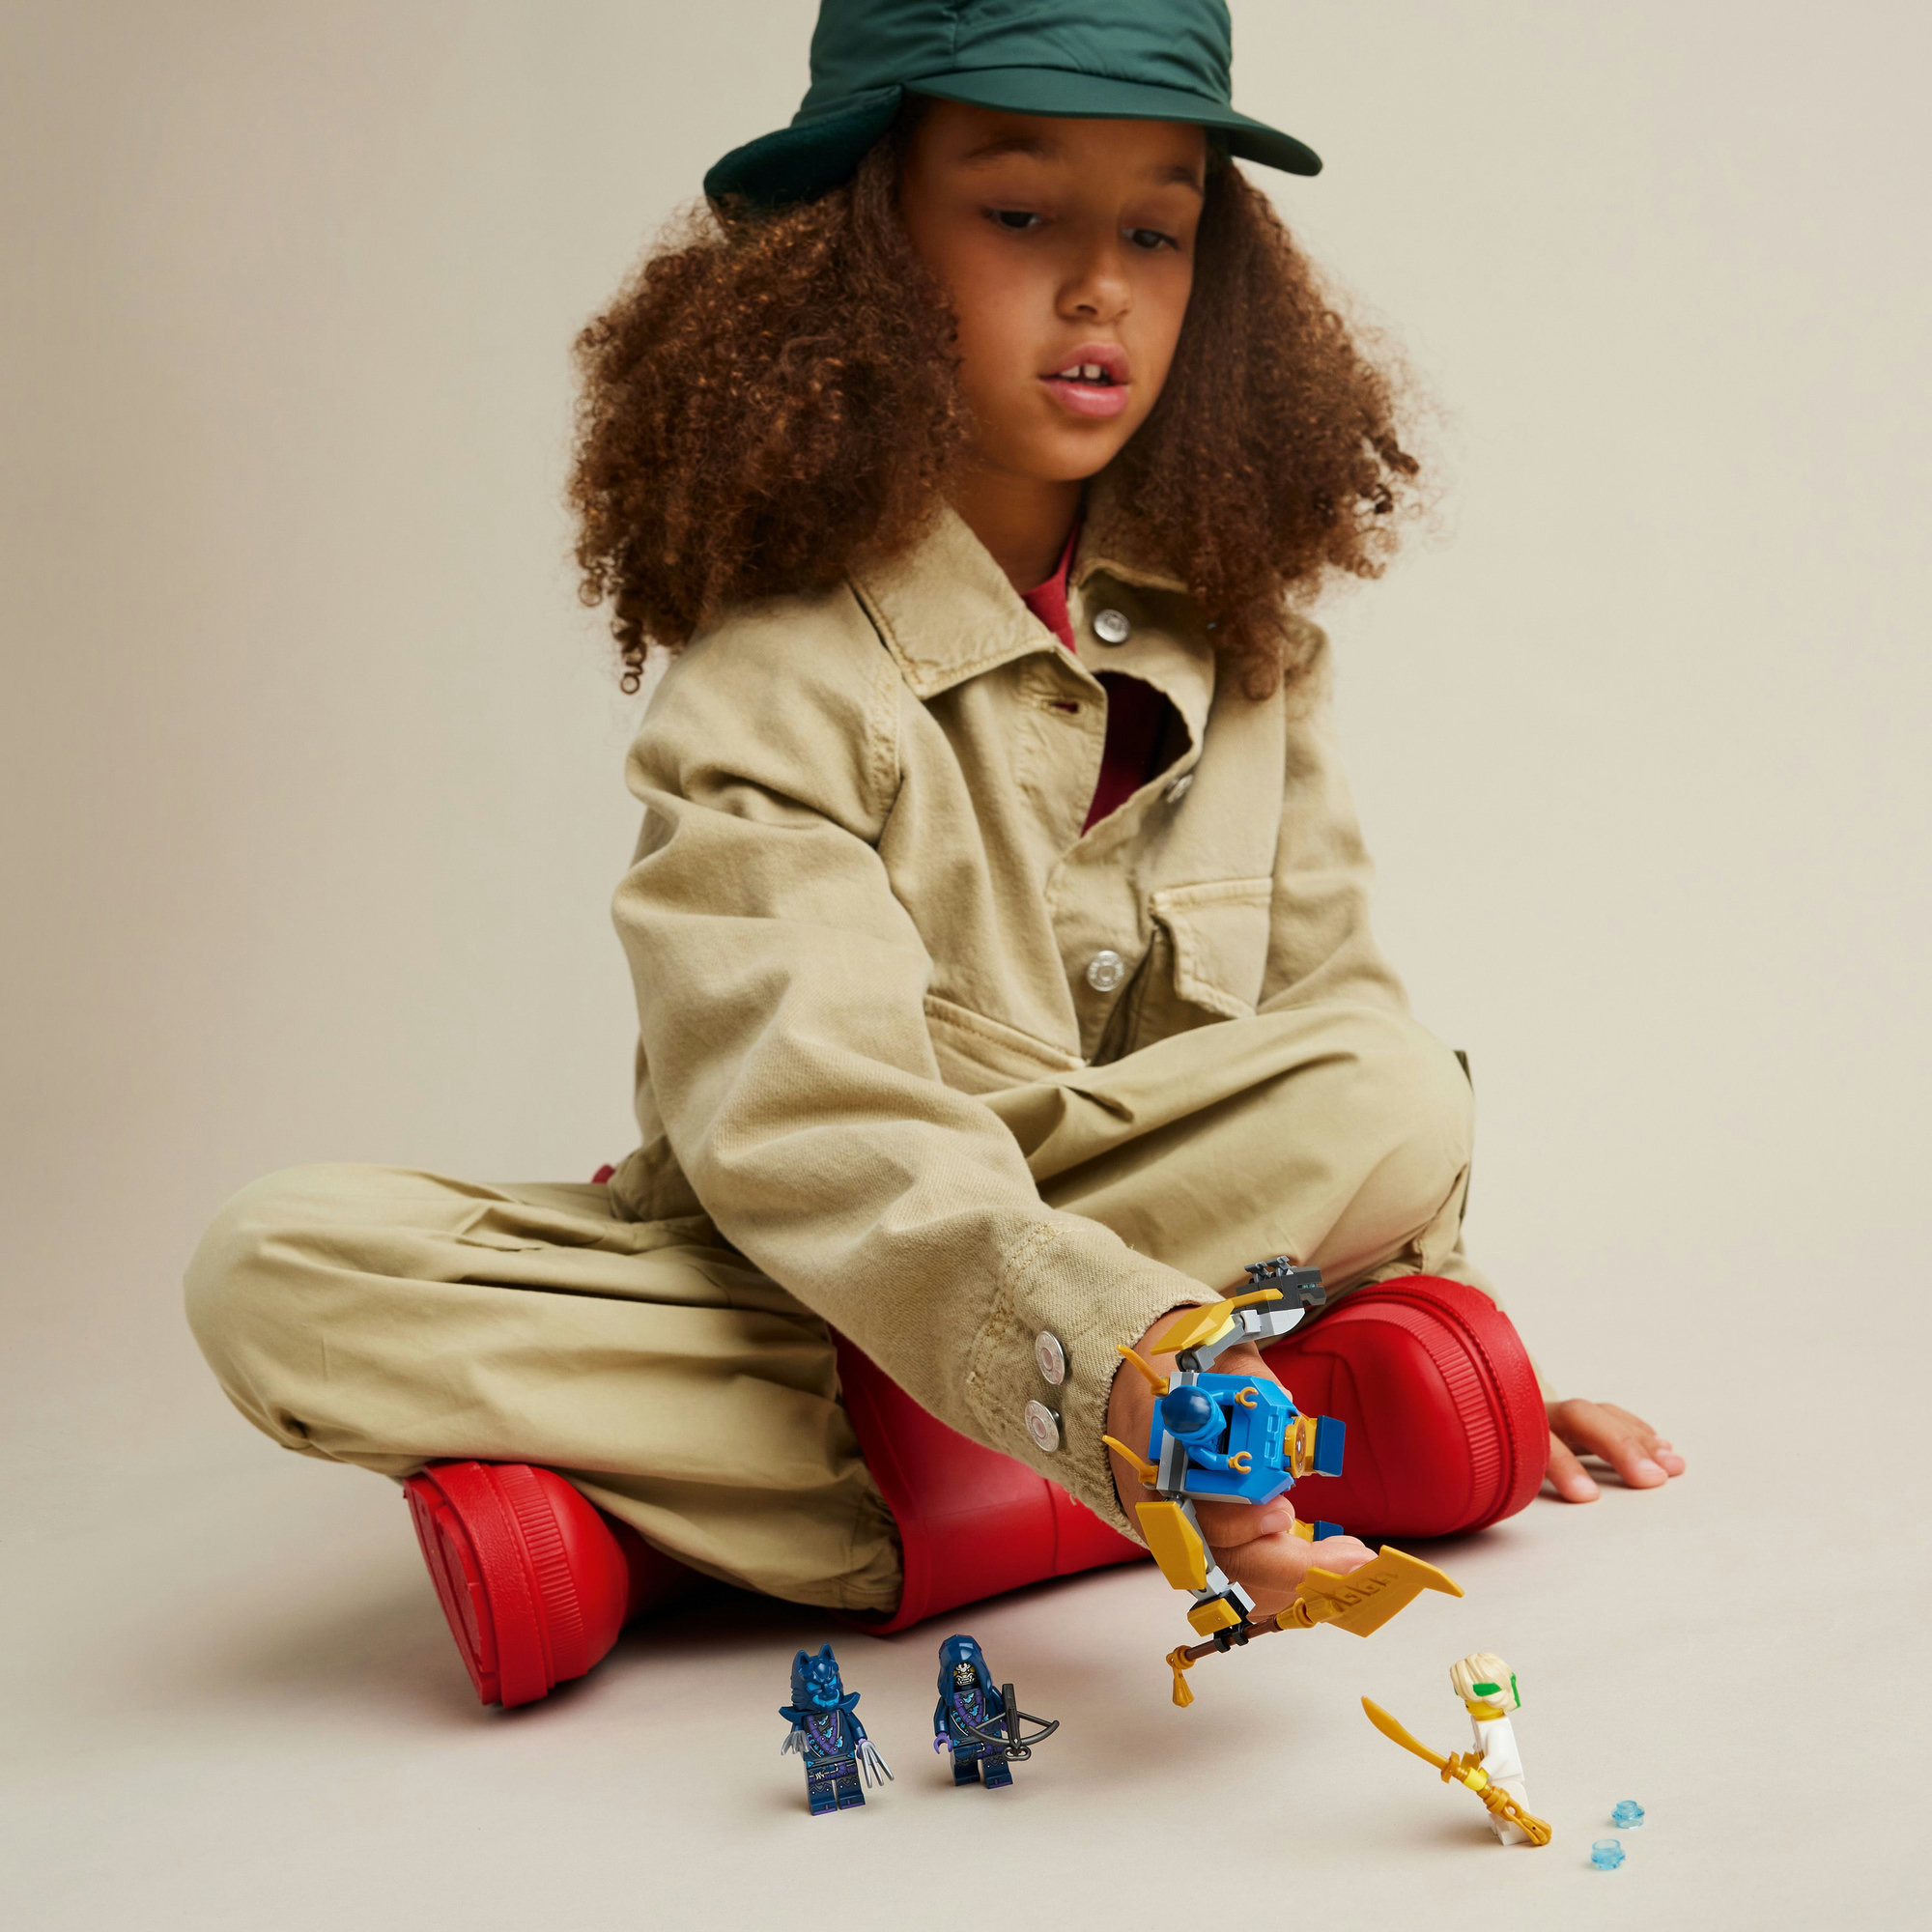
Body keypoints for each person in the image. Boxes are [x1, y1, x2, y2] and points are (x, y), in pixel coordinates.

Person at [185, 0, 1684, 1711]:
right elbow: (814, 1135)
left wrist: (1464, 1329)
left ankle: (660, 1534)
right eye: (1022, 213)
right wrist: (1140, 1366)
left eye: (1158, 231)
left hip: (1071, 1290)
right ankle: (1151, 1455)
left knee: (1394, 1088)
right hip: (824, 1249)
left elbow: (1329, 1064)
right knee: (282, 1270)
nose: (1101, 287)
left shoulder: (1257, 652)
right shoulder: (770, 680)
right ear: (864, 251)